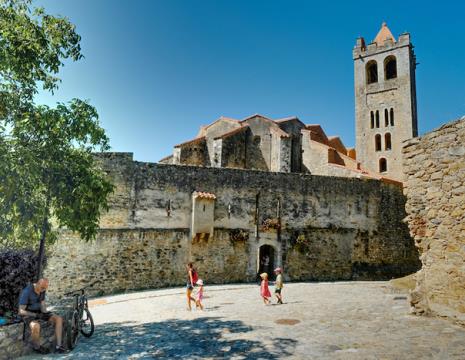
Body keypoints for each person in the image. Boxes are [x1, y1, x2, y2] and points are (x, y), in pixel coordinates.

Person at [18, 278, 65, 354]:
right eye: (42, 288)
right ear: (38, 283)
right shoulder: (27, 291)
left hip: (39, 313)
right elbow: (21, 311)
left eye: (45, 288)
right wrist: (35, 315)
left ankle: (58, 346)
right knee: (36, 326)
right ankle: (37, 347)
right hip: (29, 314)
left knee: (58, 318)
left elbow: (42, 304)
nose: (43, 290)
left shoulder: (42, 290)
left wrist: (46, 313)